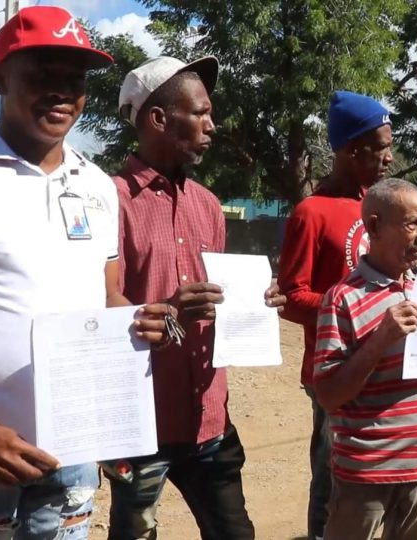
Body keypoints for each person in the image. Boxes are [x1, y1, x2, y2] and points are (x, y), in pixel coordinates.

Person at [0, 6, 170, 539]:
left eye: (75, 80)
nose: (62, 92)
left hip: (74, 453)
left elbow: (107, 295)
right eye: (42, 75)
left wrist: (138, 322)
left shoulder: (97, 187)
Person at [105, 55, 284, 540]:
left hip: (210, 418)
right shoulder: (109, 200)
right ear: (159, 119)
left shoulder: (207, 204)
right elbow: (100, 309)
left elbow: (218, 300)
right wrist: (168, 306)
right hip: (143, 422)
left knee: (235, 534)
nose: (212, 124)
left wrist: (254, 302)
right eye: (200, 113)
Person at [314, 178, 417, 540]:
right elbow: (328, 394)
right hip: (366, 469)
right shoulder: (342, 298)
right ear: (374, 226)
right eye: (412, 224)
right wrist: (380, 340)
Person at [278, 90, 393, 539]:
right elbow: (291, 297)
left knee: (375, 480)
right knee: (333, 482)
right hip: (334, 373)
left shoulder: (379, 206)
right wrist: (353, 309)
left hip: (384, 368)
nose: (389, 154)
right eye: (381, 145)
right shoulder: (312, 212)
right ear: (351, 148)